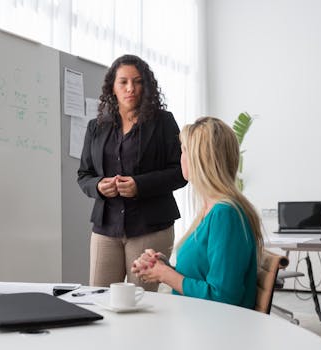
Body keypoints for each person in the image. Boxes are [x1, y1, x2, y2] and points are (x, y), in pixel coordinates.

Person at [77, 54, 187, 291]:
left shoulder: (164, 122)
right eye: (123, 82)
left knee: (143, 302)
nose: (131, 88)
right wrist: (97, 186)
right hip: (106, 227)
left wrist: (140, 185)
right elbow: (84, 175)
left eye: (138, 82)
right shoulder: (95, 127)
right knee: (98, 297)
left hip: (150, 226)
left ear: (146, 86)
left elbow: (181, 173)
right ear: (112, 87)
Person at [131, 117, 264, 308]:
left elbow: (224, 298)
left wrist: (166, 275)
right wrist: (162, 267)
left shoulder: (225, 215)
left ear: (200, 159)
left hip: (214, 330)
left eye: (183, 150)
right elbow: (202, 277)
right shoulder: (210, 210)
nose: (180, 158)